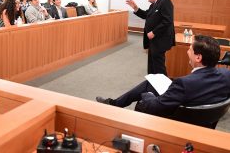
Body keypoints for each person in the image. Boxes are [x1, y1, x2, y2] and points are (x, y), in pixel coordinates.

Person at [96, 35, 230, 118]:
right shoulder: (226, 75)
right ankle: (115, 104)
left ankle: (117, 108)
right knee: (151, 82)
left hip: (180, 119)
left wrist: (147, 95)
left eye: (190, 49)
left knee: (144, 100)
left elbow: (155, 107)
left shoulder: (184, 83)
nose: (187, 51)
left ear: (198, 57)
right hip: (204, 116)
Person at [126, 0, 175, 75]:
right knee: (152, 65)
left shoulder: (165, 1)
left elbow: (168, 21)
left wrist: (154, 32)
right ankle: (152, 85)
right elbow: (146, 15)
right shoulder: (154, 4)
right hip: (154, 40)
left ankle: (162, 87)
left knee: (158, 66)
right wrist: (135, 8)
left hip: (160, 39)